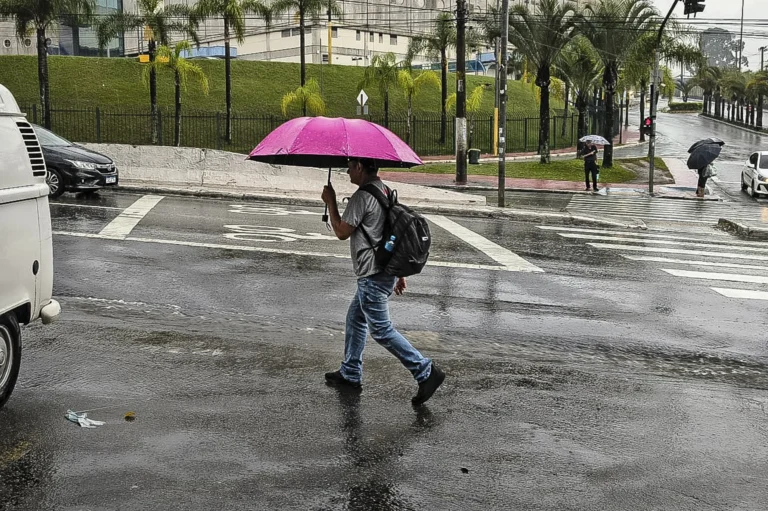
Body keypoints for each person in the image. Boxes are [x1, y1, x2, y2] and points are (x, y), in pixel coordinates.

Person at [320, 157, 445, 406]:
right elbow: (391, 231)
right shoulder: (385, 190)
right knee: (355, 319)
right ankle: (350, 372)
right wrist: (398, 273)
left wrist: (330, 202)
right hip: (383, 270)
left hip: (372, 274)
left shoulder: (362, 197)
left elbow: (342, 232)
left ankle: (425, 371)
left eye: (350, 165)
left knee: (381, 329)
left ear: (359, 167)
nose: (346, 170)